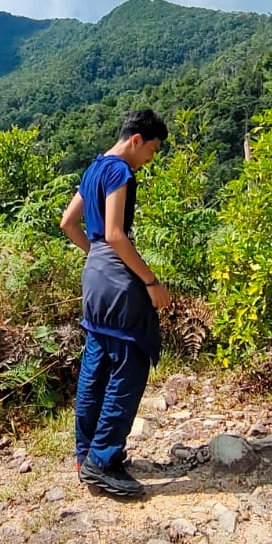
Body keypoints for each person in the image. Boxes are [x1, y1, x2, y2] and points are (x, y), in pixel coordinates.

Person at [59, 109, 171, 497]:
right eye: (152, 150)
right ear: (136, 140)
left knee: (97, 364)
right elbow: (115, 234)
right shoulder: (120, 171)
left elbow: (67, 223)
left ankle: (86, 453)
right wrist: (151, 282)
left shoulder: (94, 169)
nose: (149, 159)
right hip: (117, 281)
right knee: (129, 363)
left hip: (94, 277)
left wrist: (97, 257)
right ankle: (102, 461)